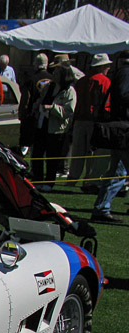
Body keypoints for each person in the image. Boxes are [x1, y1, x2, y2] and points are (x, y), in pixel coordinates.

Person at [90, 55, 129, 223]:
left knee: (117, 171)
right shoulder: (126, 73)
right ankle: (101, 208)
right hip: (123, 130)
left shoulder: (123, 73)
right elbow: (123, 95)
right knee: (119, 171)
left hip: (121, 130)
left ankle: (101, 208)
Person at [69, 53, 113, 192]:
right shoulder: (104, 81)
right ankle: (88, 180)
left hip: (79, 120)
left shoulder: (82, 80)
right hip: (94, 122)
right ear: (102, 67)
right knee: (92, 153)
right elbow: (107, 104)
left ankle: (72, 178)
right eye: (107, 66)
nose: (108, 69)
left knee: (77, 151)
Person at [36, 63, 77, 191]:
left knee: (52, 156)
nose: (54, 74)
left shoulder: (69, 91)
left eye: (57, 73)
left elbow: (68, 111)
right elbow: (41, 99)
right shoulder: (48, 86)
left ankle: (49, 182)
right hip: (42, 124)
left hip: (56, 128)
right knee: (37, 153)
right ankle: (37, 180)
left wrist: (53, 108)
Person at [19, 53, 51, 179]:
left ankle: (26, 168)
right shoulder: (53, 78)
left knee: (27, 144)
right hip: (47, 117)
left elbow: (26, 99)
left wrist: (22, 113)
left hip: (32, 115)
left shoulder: (31, 79)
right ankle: (39, 171)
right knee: (40, 147)